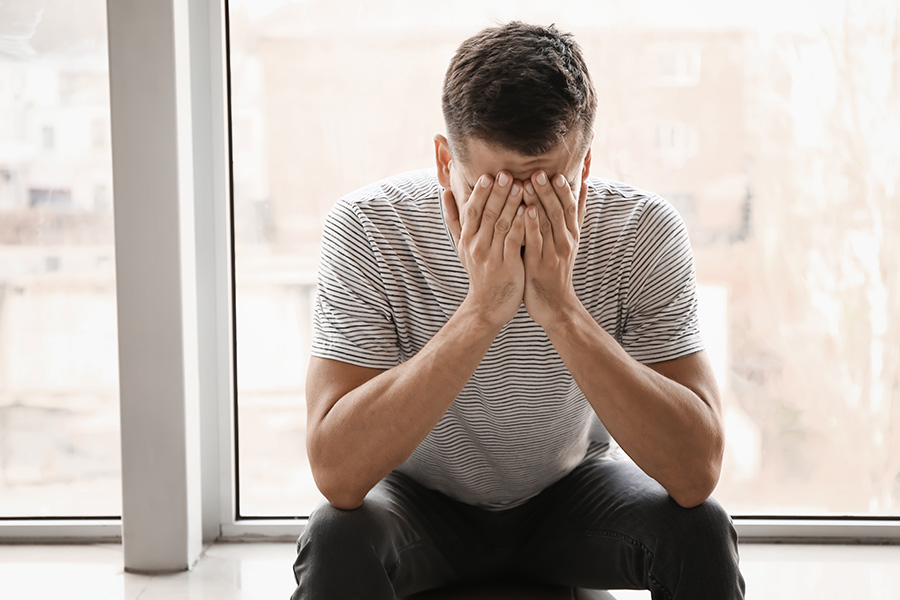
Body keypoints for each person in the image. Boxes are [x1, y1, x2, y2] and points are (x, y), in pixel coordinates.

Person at [291, 21, 745, 600]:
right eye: (495, 189)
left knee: (699, 529)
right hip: (418, 504)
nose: (521, 215)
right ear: (443, 162)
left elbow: (695, 471)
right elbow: (337, 473)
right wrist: (482, 312)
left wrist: (559, 308)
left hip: (570, 495)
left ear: (583, 169)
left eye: (548, 186)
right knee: (335, 535)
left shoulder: (639, 231)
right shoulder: (371, 228)